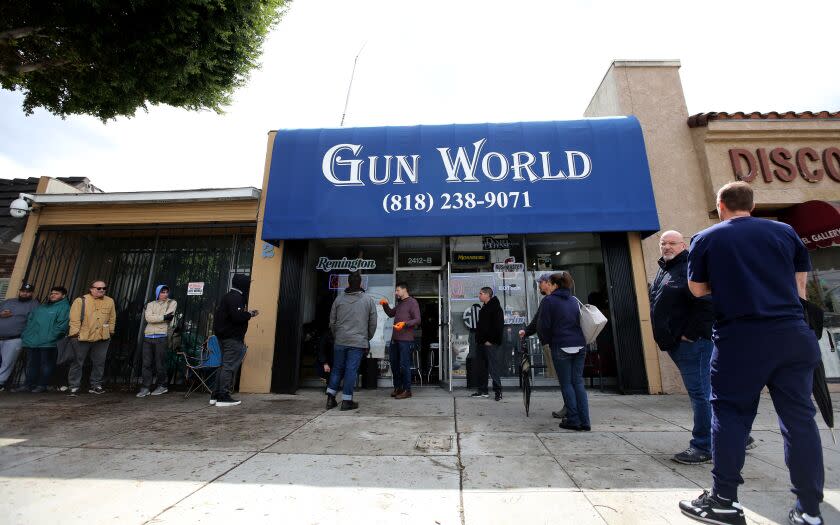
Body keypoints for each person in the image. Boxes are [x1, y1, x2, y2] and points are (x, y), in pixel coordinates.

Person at [680, 182, 824, 525]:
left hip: (741, 337)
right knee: (800, 420)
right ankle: (810, 511)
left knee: (730, 416)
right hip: (792, 333)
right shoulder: (785, 232)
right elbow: (800, 286)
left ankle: (724, 501)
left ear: (720, 205)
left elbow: (697, 289)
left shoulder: (707, 238)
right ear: (753, 204)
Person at [650, 230, 757, 465]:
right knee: (709, 393)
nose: (667, 247)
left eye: (672, 243)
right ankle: (738, 436)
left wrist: (691, 333)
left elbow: (708, 303)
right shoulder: (665, 268)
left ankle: (703, 445)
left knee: (701, 394)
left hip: (693, 344)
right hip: (677, 343)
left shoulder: (692, 267)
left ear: (683, 245)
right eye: (663, 243)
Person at [539, 271, 590, 431]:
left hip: (561, 345)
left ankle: (573, 419)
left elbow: (544, 326)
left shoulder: (549, 301)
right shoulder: (574, 300)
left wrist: (547, 341)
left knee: (566, 384)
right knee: (578, 383)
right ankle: (585, 421)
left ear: (554, 285)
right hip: (580, 345)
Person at [326, 271, 376, 411]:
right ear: (360, 283)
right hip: (358, 342)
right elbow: (373, 323)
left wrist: (338, 335)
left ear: (348, 283)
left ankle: (330, 398)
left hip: (340, 340)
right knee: (350, 370)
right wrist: (366, 337)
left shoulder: (339, 299)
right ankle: (347, 401)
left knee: (337, 369)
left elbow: (332, 321)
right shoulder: (368, 300)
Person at [520, 272, 565, 418]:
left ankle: (570, 408)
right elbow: (537, 321)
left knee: (565, 378)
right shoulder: (549, 300)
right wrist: (526, 332)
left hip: (556, 344)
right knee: (564, 378)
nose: (539, 285)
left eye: (541, 282)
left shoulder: (551, 300)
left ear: (549, 283)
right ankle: (570, 406)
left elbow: (544, 323)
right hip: (553, 344)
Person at [212, 274, 258, 407]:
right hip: (232, 338)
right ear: (243, 284)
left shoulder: (228, 296)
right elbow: (237, 317)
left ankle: (215, 395)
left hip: (224, 337)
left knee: (223, 365)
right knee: (228, 366)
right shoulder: (236, 298)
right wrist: (249, 314)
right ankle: (223, 396)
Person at [67, 280, 116, 395]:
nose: (102, 290)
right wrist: (75, 334)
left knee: (99, 362)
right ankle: (74, 386)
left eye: (104, 288)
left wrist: (110, 332)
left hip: (102, 337)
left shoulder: (109, 301)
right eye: (99, 288)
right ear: (91, 289)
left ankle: (96, 384)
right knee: (78, 362)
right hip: (82, 336)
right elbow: (74, 319)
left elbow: (112, 318)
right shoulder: (81, 301)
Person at [20, 286, 69, 392]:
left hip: (49, 343)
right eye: (52, 293)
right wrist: (26, 335)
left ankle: (42, 385)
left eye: (56, 293)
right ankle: (28, 385)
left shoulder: (64, 307)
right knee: (32, 364)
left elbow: (62, 326)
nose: (53, 295)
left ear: (63, 296)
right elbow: (30, 321)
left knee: (46, 365)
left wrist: (50, 338)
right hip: (33, 341)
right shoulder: (42, 307)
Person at [380, 281, 420, 400]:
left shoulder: (412, 302)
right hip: (395, 339)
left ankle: (407, 390)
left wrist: (405, 324)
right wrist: (385, 304)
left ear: (404, 290)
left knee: (404, 365)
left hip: (405, 340)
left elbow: (417, 319)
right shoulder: (400, 303)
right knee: (394, 364)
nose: (396, 292)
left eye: (397, 290)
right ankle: (398, 388)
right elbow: (391, 313)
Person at [137, 284, 177, 398]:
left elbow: (170, 316)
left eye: (166, 292)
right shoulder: (150, 304)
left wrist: (159, 317)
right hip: (148, 335)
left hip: (162, 335)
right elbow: (148, 318)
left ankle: (162, 385)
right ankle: (145, 387)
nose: (164, 294)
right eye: (162, 292)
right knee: (146, 363)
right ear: (157, 293)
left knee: (160, 363)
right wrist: (163, 317)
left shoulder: (172, 303)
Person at [0, 283, 40, 391]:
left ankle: (1, 382)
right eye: (23, 291)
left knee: (7, 362)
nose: (24, 293)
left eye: (27, 292)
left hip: (15, 338)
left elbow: (34, 322)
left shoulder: (34, 304)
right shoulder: (8, 301)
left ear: (31, 293)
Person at [471, 286, 504, 401]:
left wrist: (491, 340)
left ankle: (498, 391)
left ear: (487, 295)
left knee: (493, 367)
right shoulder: (484, 307)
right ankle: (483, 390)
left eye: (481, 293)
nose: (479, 295)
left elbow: (498, 327)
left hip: (490, 343)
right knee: (482, 367)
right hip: (481, 343)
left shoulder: (495, 308)